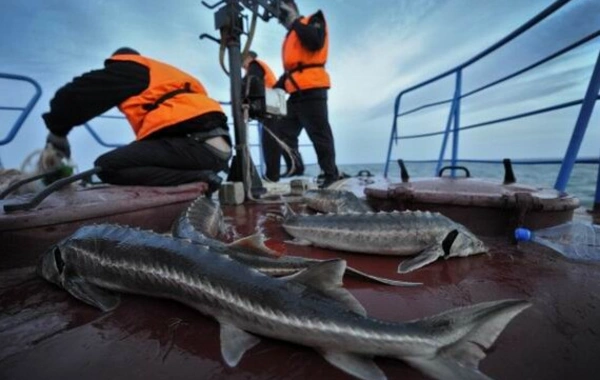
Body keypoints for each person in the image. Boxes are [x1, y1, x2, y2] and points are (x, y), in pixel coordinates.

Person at [42, 47, 231, 194]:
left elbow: (73, 96)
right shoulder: (167, 77)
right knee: (133, 156)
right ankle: (203, 175)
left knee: (108, 166)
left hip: (195, 147)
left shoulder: (131, 68)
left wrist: (58, 131)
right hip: (218, 151)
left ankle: (200, 178)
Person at [275, 0, 339, 188]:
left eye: (283, 14)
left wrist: (294, 21)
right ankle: (296, 167)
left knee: (319, 133)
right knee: (283, 132)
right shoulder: (291, 34)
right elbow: (291, 71)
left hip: (313, 89)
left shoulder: (313, 20)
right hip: (295, 93)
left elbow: (315, 42)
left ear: (292, 9)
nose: (282, 20)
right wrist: (273, 89)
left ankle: (330, 173)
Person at [241, 51, 302, 182]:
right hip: (274, 106)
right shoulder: (257, 67)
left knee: (270, 141)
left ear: (249, 58)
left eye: (243, 61)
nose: (242, 65)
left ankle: (272, 175)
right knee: (280, 138)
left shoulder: (255, 65)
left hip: (270, 107)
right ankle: (296, 168)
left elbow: (250, 81)